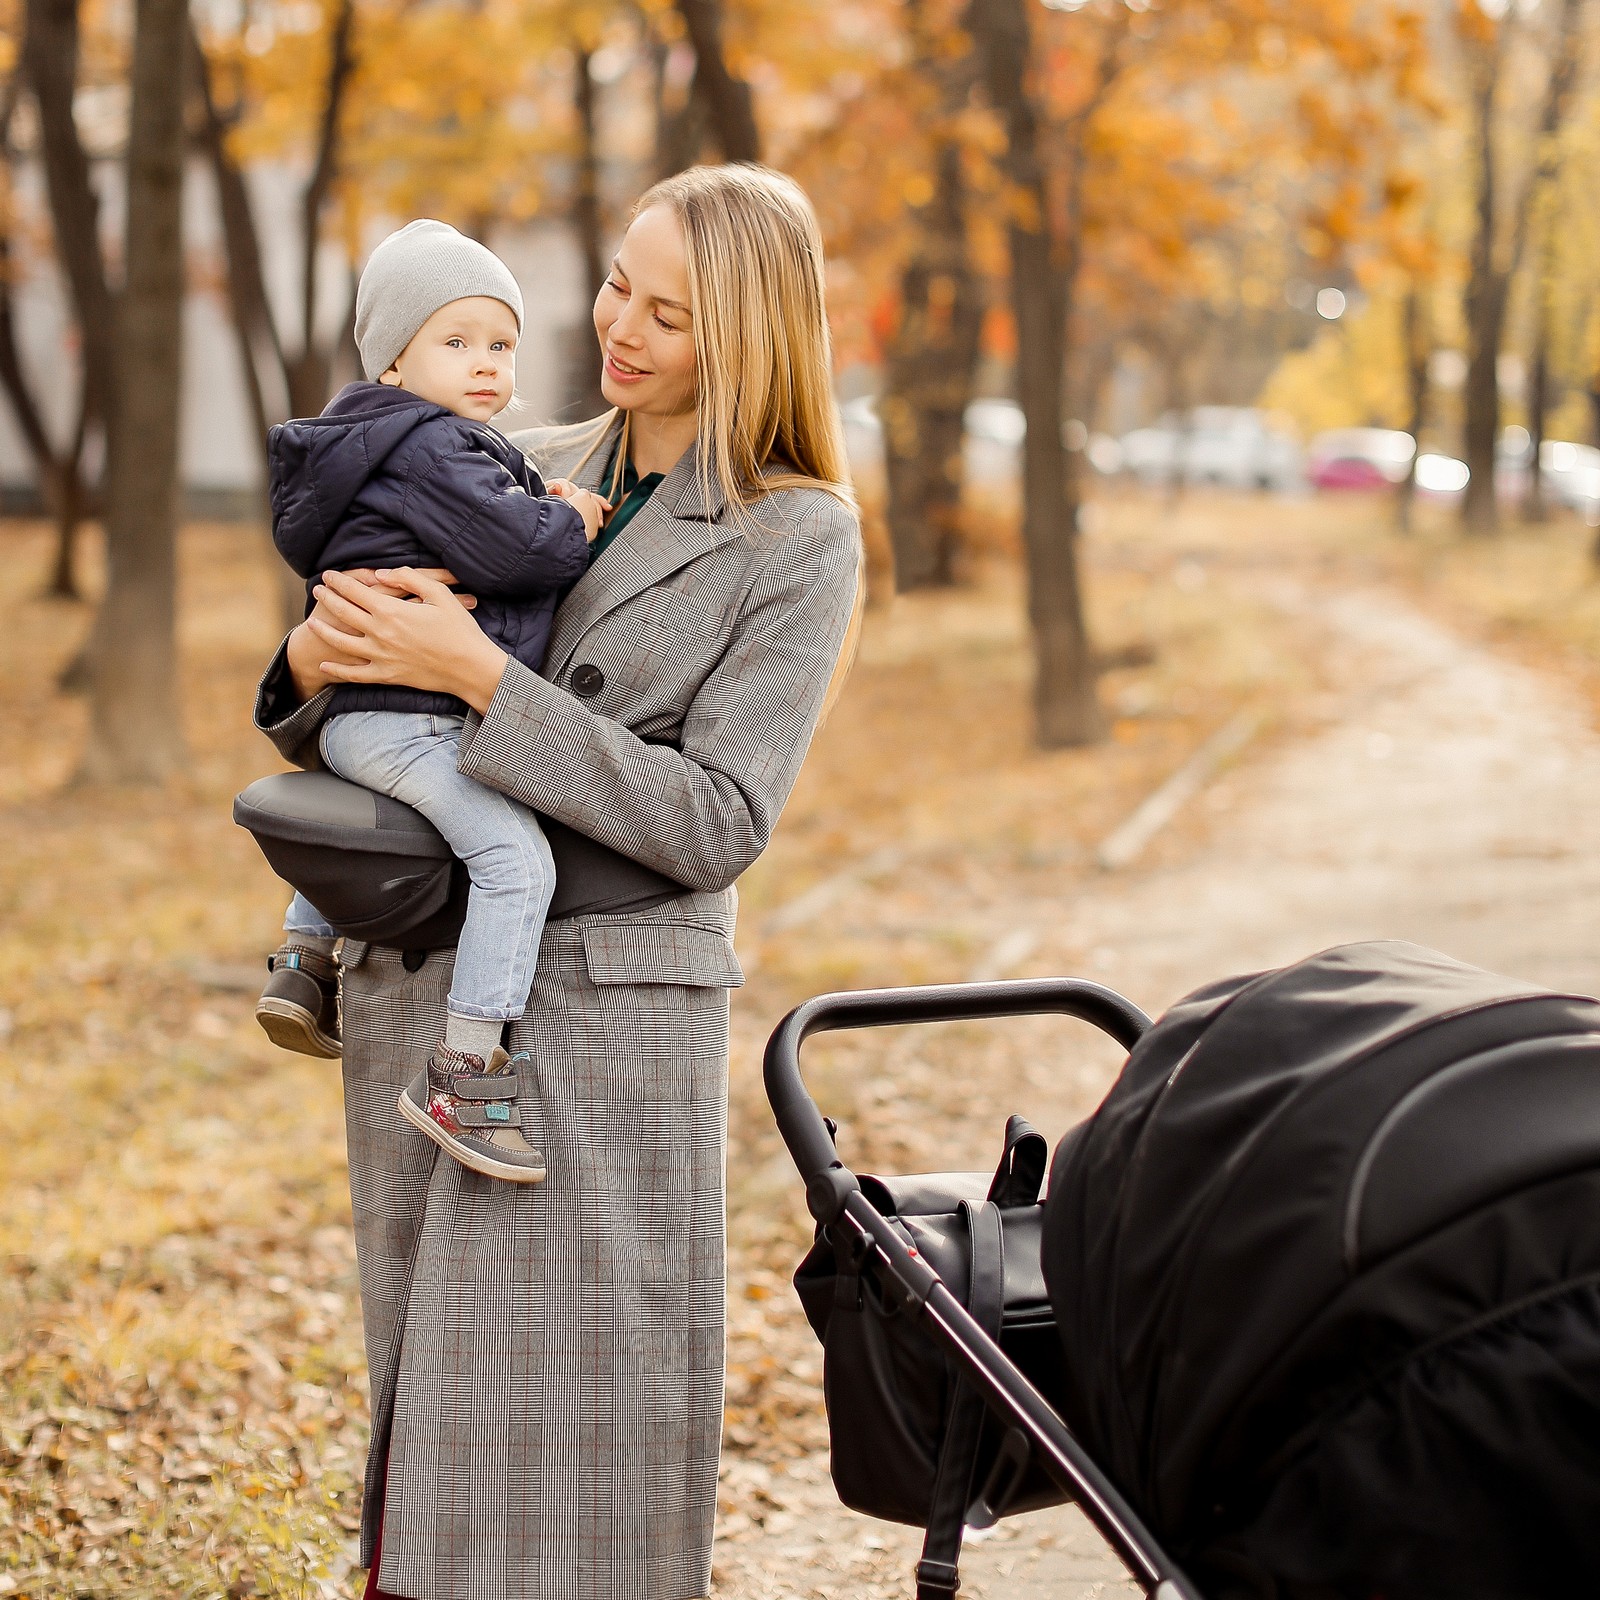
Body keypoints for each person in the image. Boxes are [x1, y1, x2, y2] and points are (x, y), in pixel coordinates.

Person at [250, 164, 862, 1600]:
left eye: (671, 312)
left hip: (611, 1023)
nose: (620, 330)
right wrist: (310, 664)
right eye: (614, 286)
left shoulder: (797, 533)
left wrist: (480, 682)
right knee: (436, 1396)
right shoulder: (501, 455)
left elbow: (718, 819)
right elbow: (340, 688)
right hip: (431, 985)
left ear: (755, 337)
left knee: (589, 1422)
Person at [253, 219, 611, 1184]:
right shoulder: (435, 444)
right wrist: (568, 514)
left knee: (402, 817)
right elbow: (520, 554)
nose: (488, 365)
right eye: (457, 342)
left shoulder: (382, 443)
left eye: (502, 344)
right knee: (513, 860)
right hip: (411, 713)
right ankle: (466, 1074)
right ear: (396, 361)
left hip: (366, 716)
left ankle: (301, 959)